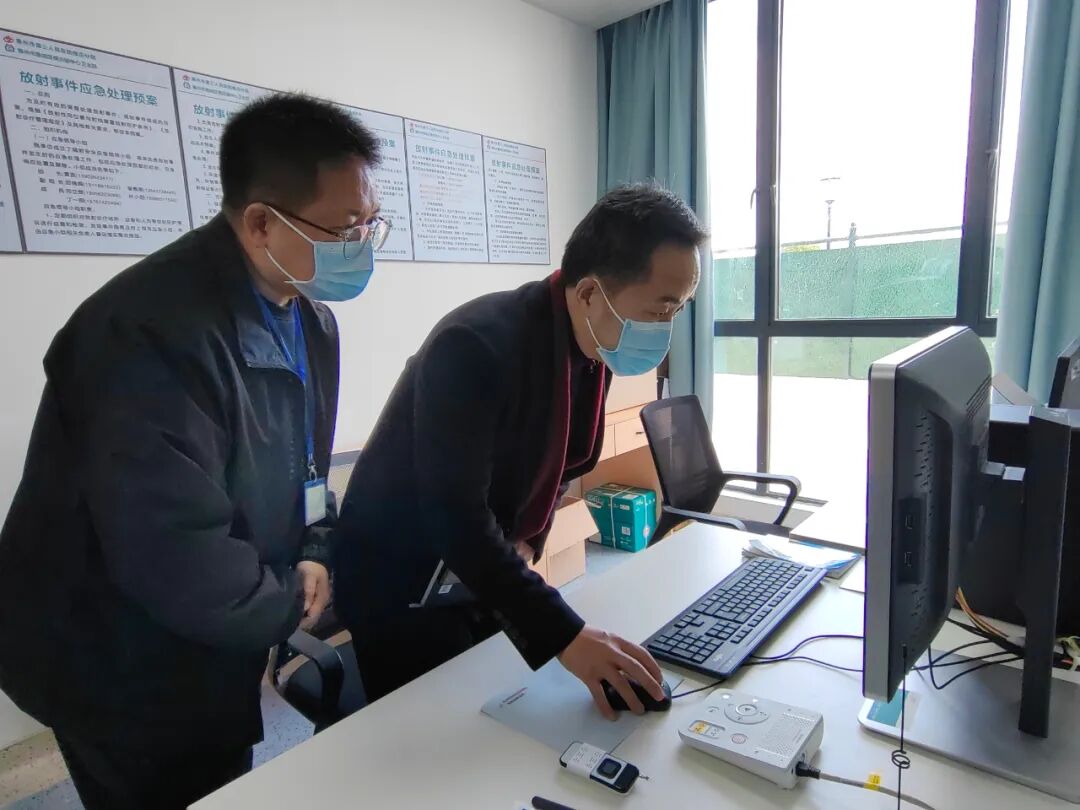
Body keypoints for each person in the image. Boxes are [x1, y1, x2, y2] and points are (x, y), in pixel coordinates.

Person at [0, 93, 387, 810]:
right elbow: (173, 551)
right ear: (262, 222)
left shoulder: (310, 319)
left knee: (221, 776)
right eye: (344, 228)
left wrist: (315, 548)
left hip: (216, 630)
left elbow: (305, 466)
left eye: (371, 223)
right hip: (113, 653)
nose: (362, 244)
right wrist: (288, 604)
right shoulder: (141, 334)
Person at [333, 183, 704, 718]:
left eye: (679, 308)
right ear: (590, 293)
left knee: (499, 704)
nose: (667, 328)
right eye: (660, 309)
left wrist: (527, 544)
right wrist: (566, 635)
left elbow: (564, 461)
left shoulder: (590, 344)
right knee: (433, 731)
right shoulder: (477, 344)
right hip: (401, 575)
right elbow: (456, 516)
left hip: (476, 565)